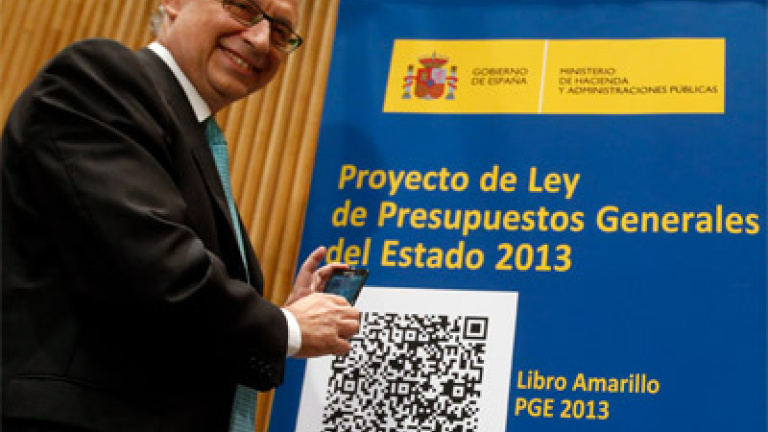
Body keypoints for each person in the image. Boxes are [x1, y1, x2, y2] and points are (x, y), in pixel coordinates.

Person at [1, 0, 360, 431]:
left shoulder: (194, 135)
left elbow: (160, 314)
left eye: (281, 32)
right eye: (242, 8)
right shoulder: (101, 78)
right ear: (172, 3)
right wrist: (286, 327)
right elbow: (152, 268)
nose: (261, 39)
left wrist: (278, 318)